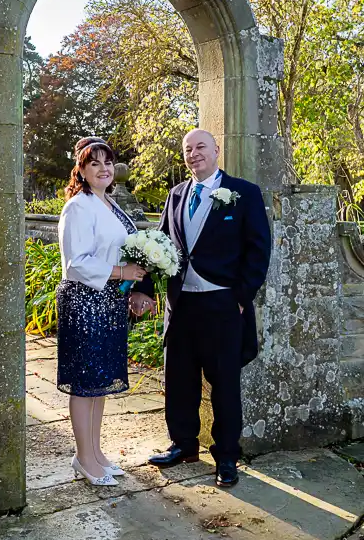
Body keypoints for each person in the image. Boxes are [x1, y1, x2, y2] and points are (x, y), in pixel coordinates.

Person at [130, 129, 271, 487]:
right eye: (188, 149)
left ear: (216, 150)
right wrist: (143, 289)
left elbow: (258, 250)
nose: (194, 154)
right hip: (181, 305)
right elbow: (158, 243)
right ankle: (183, 445)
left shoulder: (244, 193)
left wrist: (241, 297)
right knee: (179, 379)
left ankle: (226, 457)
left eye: (201, 147)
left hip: (223, 305)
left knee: (224, 384)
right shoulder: (176, 194)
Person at [56, 136, 151, 486]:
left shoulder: (109, 203)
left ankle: (95, 453)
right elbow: (76, 263)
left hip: (109, 301)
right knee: (85, 383)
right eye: (94, 163)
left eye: (107, 162)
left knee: (99, 382)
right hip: (84, 301)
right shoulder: (78, 207)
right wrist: (122, 272)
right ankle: (83, 458)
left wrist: (134, 280)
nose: (103, 169)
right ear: (81, 170)